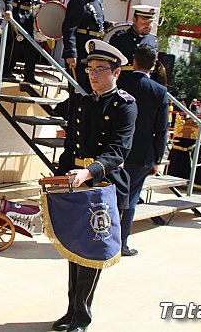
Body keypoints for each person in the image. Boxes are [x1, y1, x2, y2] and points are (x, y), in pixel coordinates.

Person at [54, 40, 136, 332]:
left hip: (102, 183)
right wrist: (58, 176)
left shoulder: (124, 105)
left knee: (92, 253)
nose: (93, 74)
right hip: (76, 181)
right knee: (74, 248)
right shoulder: (83, 101)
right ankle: (70, 310)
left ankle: (82, 316)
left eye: (101, 69)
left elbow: (117, 151)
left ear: (117, 72)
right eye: (90, 69)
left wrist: (88, 172)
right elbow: (70, 146)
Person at [117, 44, 168, 256]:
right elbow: (161, 129)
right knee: (129, 199)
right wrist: (158, 158)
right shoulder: (159, 91)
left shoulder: (120, 82)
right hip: (141, 154)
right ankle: (121, 243)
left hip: (116, 149)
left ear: (134, 61)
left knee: (109, 195)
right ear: (154, 65)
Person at [61, 0, 109, 113]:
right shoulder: (79, 0)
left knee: (89, 90)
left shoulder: (99, 0)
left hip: (93, 50)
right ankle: (70, 119)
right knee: (78, 90)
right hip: (80, 50)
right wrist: (71, 52)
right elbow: (69, 28)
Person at [2, 0, 45, 83]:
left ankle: (29, 74)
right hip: (17, 12)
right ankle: (6, 71)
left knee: (30, 45)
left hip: (28, 13)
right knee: (15, 43)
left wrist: (39, 2)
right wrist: (8, 9)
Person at [109, 4, 160, 70]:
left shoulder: (153, 40)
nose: (147, 25)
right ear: (134, 20)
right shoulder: (120, 38)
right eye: (144, 22)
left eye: (150, 22)